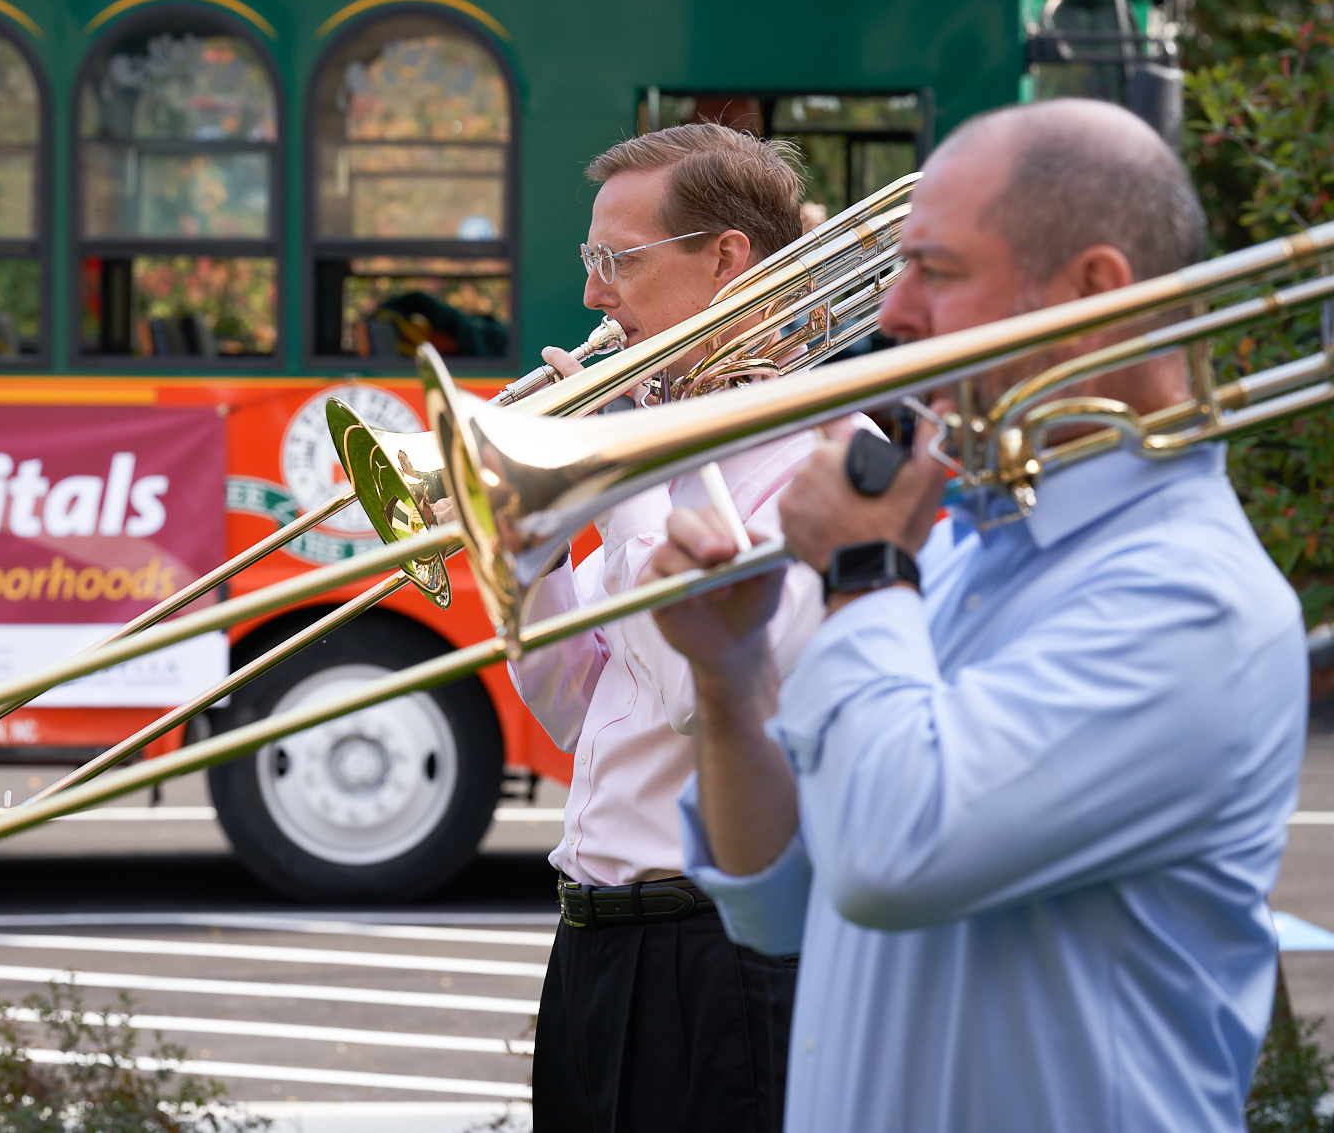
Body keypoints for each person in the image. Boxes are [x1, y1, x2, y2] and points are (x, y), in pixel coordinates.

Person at [651, 98, 1307, 1132]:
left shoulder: (1193, 602)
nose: (893, 312)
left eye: (937, 273)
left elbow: (886, 856)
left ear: (1091, 292)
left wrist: (863, 566)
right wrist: (727, 685)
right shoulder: (950, 540)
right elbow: (776, 907)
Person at [516, 123, 860, 1133]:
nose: (590, 295)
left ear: (724, 262)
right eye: (590, 261)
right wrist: (525, 547)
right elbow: (576, 714)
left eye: (615, 262)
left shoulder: (821, 464)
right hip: (592, 942)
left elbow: (686, 696)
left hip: (712, 953)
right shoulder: (657, 477)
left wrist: (625, 464)